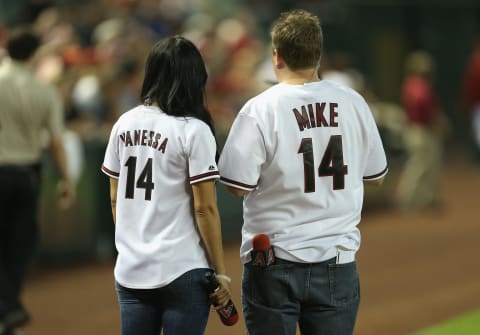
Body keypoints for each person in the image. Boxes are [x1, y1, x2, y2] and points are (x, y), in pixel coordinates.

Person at [218, 9, 388, 335]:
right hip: (337, 260)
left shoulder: (260, 108)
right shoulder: (353, 102)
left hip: (273, 260)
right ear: (318, 54)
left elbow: (236, 186)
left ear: (276, 56)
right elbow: (376, 175)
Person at [101, 36, 232, 335]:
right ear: (194, 77)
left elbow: (114, 198)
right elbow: (205, 209)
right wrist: (221, 273)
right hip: (182, 268)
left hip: (132, 269)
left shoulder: (124, 122)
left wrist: (132, 246)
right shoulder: (193, 130)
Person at [0, 28, 75, 334]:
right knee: (20, 244)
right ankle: (10, 307)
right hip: (28, 173)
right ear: (33, 55)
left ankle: (8, 308)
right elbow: (56, 142)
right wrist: (66, 179)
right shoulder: (44, 90)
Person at [395, 51, 445, 210]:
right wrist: (435, 121)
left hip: (415, 129)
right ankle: (406, 198)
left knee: (426, 166)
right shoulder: (418, 83)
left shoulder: (410, 82)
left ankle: (424, 199)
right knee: (418, 167)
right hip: (421, 130)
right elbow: (421, 104)